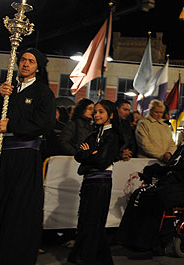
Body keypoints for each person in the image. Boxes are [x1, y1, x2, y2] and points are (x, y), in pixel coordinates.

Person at [0, 48, 55, 264]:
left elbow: (46, 125)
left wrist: (13, 125)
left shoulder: (43, 92)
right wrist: (0, 97)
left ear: (38, 68)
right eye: (23, 60)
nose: (25, 64)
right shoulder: (8, 90)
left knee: (19, 208)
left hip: (25, 157)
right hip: (2, 156)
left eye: (31, 61)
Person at [117, 122, 184, 256]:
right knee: (139, 194)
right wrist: (154, 170)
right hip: (170, 184)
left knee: (156, 198)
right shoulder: (182, 149)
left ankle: (151, 245)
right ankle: (128, 239)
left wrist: (172, 175)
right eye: (183, 129)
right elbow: (170, 168)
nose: (183, 132)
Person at [67, 100, 119, 265]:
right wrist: (91, 153)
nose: (97, 115)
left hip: (101, 184)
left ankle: (87, 258)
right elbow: (78, 155)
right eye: (95, 112)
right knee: (85, 220)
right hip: (88, 182)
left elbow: (102, 160)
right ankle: (95, 258)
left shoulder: (113, 135)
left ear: (110, 115)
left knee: (93, 222)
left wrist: (88, 154)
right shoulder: (93, 134)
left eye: (101, 112)